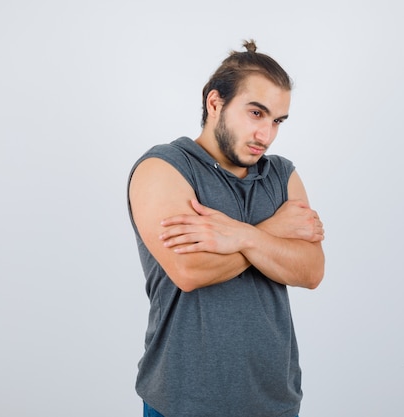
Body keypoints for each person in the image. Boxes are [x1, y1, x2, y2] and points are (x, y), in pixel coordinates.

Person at [127, 39, 325, 417]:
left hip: (274, 399)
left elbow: (312, 270)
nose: (265, 135)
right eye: (256, 113)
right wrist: (272, 233)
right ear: (215, 103)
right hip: (184, 400)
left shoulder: (281, 174)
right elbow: (190, 270)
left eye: (277, 121)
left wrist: (242, 235)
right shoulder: (164, 168)